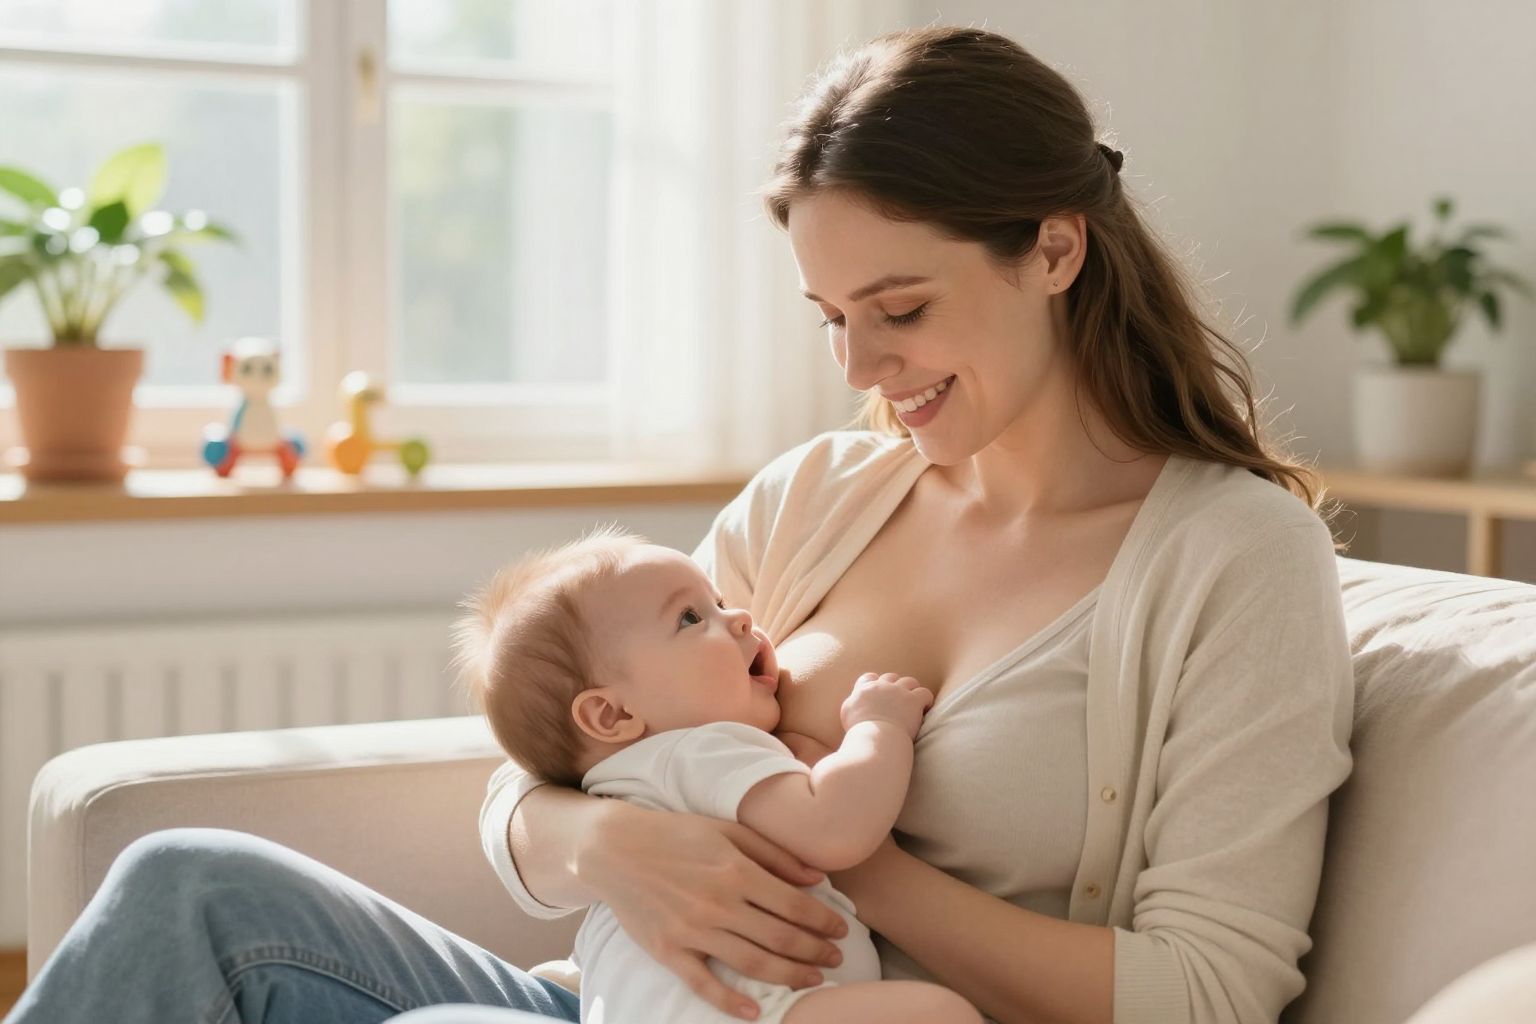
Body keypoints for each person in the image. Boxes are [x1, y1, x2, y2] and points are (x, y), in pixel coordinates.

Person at [4, 24, 1352, 1024]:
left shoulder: (1233, 558)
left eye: (901, 308)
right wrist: (614, 843)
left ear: (1053, 250)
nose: (861, 366)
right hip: (635, 1002)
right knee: (187, 886)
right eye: (831, 319)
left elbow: (1207, 992)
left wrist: (848, 862)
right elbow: (546, 769)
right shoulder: (819, 496)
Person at [449, 527, 982, 1022]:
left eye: (720, 601)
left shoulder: (623, 784)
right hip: (752, 1010)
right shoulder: (700, 750)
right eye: (690, 618)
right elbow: (836, 826)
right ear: (612, 714)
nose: (742, 617)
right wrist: (879, 726)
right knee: (940, 1015)